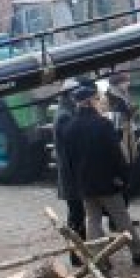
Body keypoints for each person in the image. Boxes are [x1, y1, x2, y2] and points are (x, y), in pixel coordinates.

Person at [60, 81, 140, 266]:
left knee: (93, 221)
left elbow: (69, 160)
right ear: (91, 102)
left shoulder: (70, 127)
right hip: (107, 182)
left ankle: (99, 257)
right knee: (121, 218)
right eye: (97, 99)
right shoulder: (102, 124)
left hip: (85, 183)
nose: (100, 102)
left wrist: (77, 181)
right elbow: (115, 154)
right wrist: (124, 176)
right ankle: (138, 251)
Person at [52, 82, 86, 240]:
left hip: (71, 171)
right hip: (70, 173)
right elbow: (72, 145)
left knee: (77, 212)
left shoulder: (67, 111)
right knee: (76, 214)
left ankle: (79, 249)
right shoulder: (65, 116)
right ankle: (77, 253)